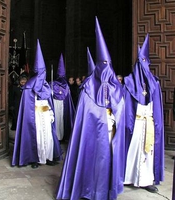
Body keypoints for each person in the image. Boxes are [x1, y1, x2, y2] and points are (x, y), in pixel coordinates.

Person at [56, 16, 125, 200]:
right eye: (102, 65)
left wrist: (112, 117)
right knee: (90, 159)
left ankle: (105, 191)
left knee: (106, 162)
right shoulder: (88, 88)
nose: (106, 69)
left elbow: (121, 108)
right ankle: (87, 189)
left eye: (108, 65)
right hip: (92, 133)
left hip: (110, 132)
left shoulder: (116, 88)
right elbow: (84, 116)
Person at [123, 34, 164, 193]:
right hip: (135, 123)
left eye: (145, 63)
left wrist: (156, 123)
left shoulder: (154, 83)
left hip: (149, 123)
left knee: (148, 152)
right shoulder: (128, 83)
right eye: (140, 63)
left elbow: (157, 106)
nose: (143, 67)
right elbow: (127, 106)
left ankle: (146, 180)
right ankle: (128, 177)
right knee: (133, 149)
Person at [12, 39, 62, 169]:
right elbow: (27, 105)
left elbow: (48, 101)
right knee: (37, 137)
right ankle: (35, 158)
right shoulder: (29, 86)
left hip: (46, 114)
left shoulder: (46, 86)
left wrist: (51, 113)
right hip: (35, 116)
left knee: (49, 136)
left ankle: (49, 157)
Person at [51, 54, 75, 142]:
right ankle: (58, 136)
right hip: (58, 104)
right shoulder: (54, 84)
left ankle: (59, 136)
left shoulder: (53, 84)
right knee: (58, 119)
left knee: (60, 120)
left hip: (60, 105)